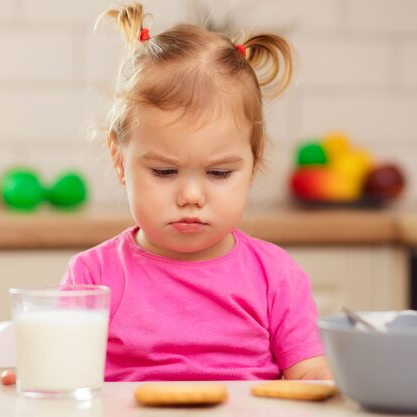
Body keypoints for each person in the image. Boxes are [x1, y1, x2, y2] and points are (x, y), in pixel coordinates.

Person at [61, 2, 332, 382]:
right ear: (120, 160)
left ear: (253, 164)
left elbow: (310, 376)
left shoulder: (276, 277)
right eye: (164, 171)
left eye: (219, 173)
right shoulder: (93, 277)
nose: (191, 195)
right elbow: (61, 373)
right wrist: (37, 378)